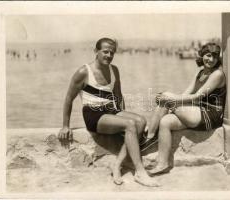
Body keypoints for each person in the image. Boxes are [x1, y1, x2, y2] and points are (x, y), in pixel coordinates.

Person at [58, 38, 159, 187]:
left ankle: (117, 165)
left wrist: (121, 117)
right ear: (96, 52)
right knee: (131, 125)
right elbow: (68, 98)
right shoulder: (83, 72)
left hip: (110, 111)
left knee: (141, 122)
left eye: (112, 52)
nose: (109, 55)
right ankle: (140, 172)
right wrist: (65, 126)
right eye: (105, 51)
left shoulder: (114, 70)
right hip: (93, 114)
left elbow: (118, 96)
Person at [145, 43, 226, 175]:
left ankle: (148, 138)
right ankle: (162, 164)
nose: (211, 60)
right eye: (208, 55)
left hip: (210, 115)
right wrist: (172, 102)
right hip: (198, 111)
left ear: (218, 59)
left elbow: (196, 97)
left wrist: (171, 100)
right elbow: (186, 94)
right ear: (202, 55)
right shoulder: (201, 72)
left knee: (166, 97)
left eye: (215, 57)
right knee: (165, 121)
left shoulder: (217, 74)